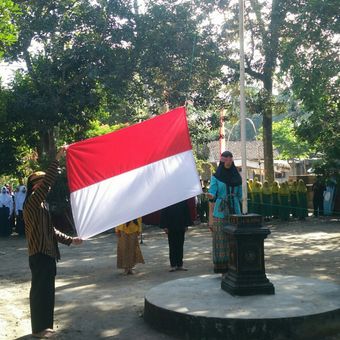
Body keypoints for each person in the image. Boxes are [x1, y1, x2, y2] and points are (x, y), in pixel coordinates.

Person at [23, 147, 82, 339]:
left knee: (47, 292)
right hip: (39, 254)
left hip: (48, 253)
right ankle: (39, 329)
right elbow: (49, 180)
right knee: (40, 292)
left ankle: (44, 326)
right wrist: (57, 159)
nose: (47, 187)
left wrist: (71, 240)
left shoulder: (42, 205)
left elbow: (51, 231)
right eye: (42, 184)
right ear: (35, 186)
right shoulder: (32, 201)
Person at [207, 151, 242, 274]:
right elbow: (212, 195)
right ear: (222, 161)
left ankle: (235, 265)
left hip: (235, 210)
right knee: (221, 238)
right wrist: (210, 196)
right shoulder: (216, 177)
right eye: (226, 159)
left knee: (236, 238)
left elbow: (240, 195)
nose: (228, 161)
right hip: (220, 211)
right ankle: (222, 267)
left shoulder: (237, 177)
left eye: (230, 159)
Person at [160, 200, 192, 272]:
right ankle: (173, 265)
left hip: (181, 225)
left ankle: (180, 264)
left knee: (180, 245)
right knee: (172, 246)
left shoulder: (182, 200)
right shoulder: (167, 200)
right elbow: (163, 213)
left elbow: (186, 212)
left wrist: (186, 224)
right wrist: (164, 226)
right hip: (170, 226)